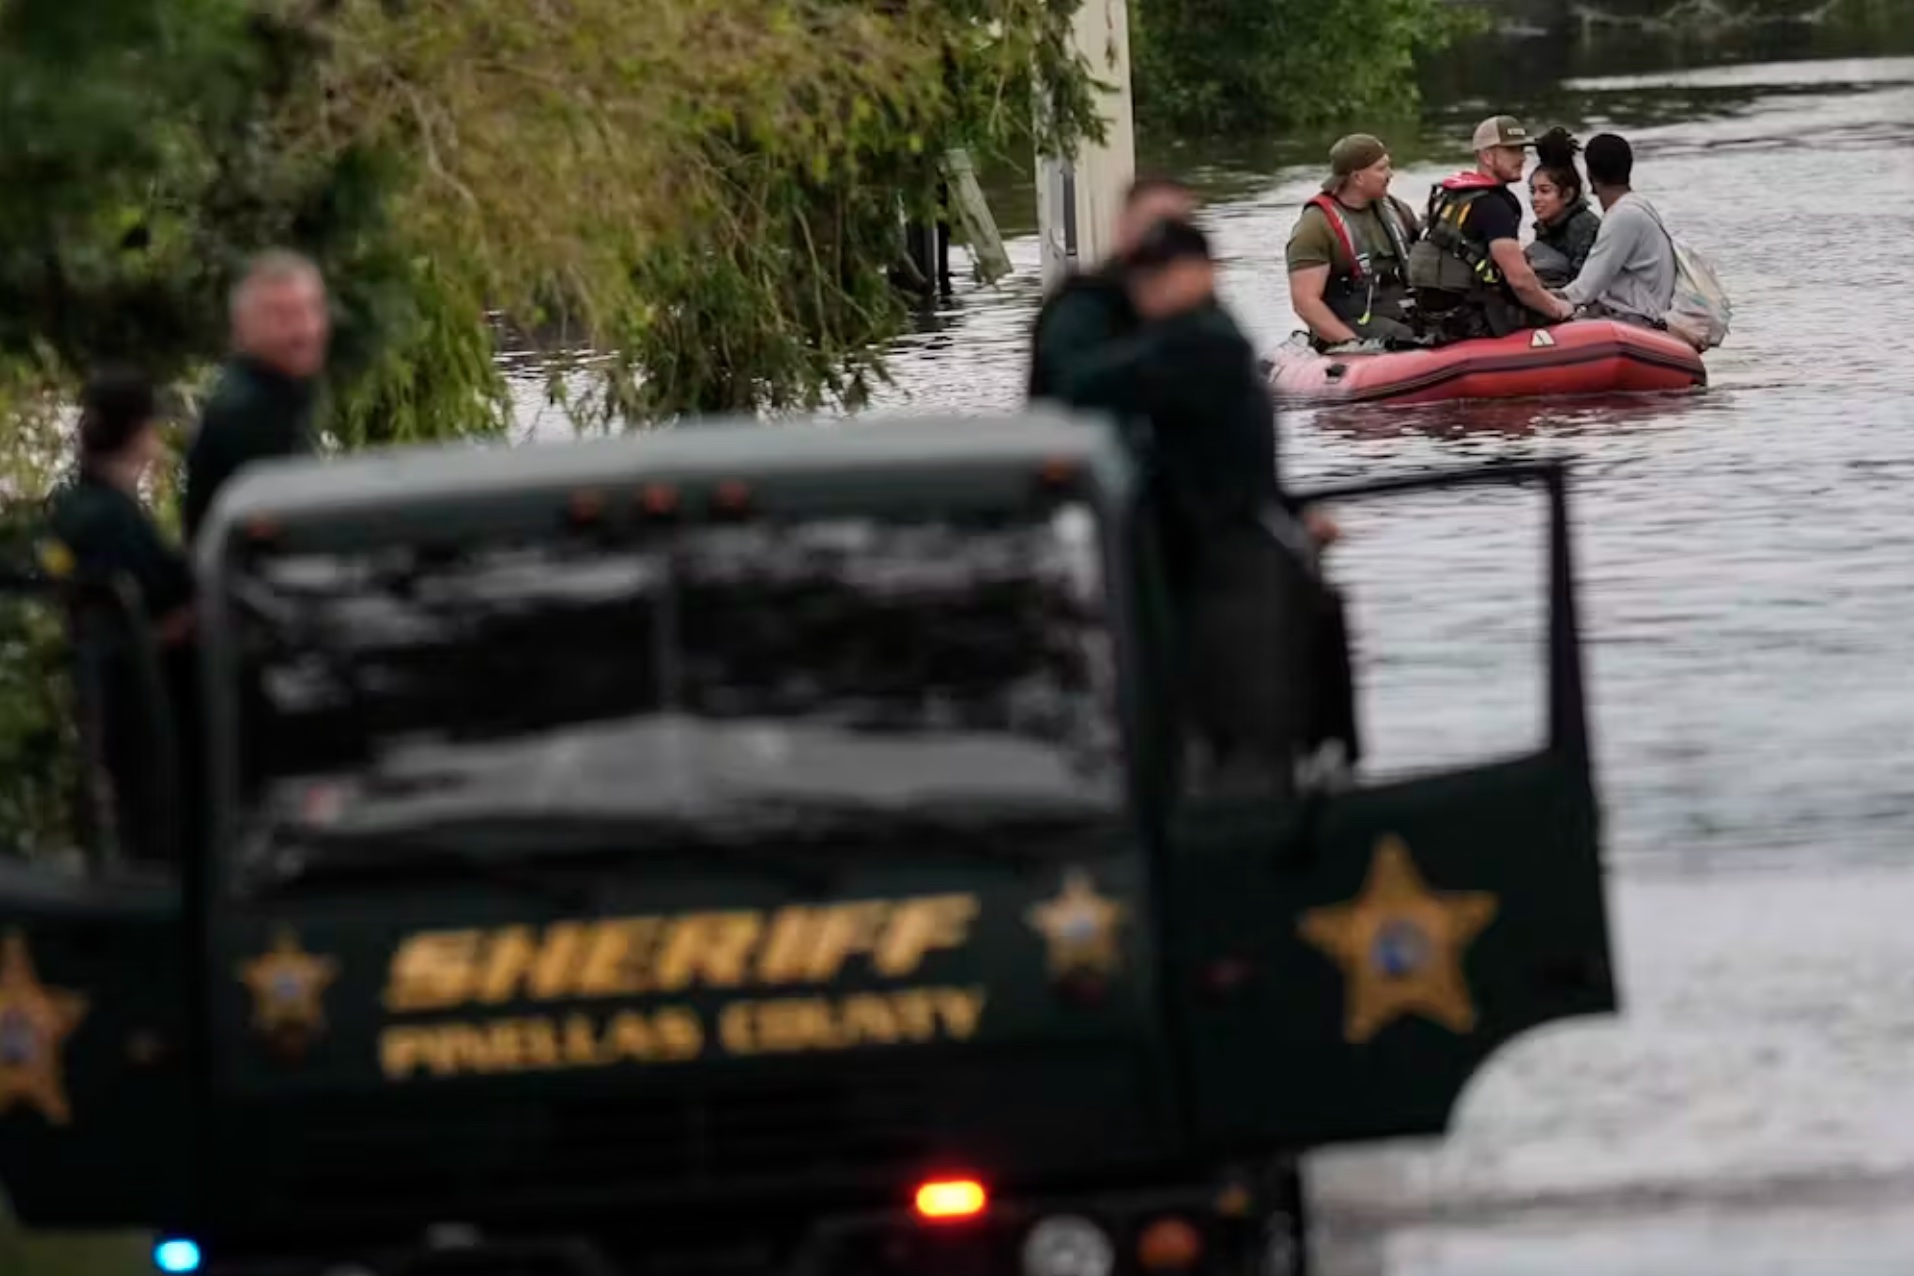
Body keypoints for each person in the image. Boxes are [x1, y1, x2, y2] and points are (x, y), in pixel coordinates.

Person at [1054, 219, 1359, 790]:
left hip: (1228, 558)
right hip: (1226, 545)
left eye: (1155, 275)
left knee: (1239, 714)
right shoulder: (1210, 335)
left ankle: (1242, 824)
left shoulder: (1200, 343)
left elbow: (1078, 382)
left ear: (1196, 273)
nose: (1144, 290)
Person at [42, 368, 196, 863]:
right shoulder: (112, 520)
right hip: (145, 711)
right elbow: (146, 606)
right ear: (138, 435)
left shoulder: (74, 506)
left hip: (110, 706)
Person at [182, 250, 330, 543]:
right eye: (283, 317)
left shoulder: (283, 395)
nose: (305, 329)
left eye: (311, 309)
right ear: (242, 328)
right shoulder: (247, 413)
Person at [1025, 176, 1197, 402]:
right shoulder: (1080, 308)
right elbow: (1069, 388)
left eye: (1180, 228)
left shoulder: (1200, 309)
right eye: (1153, 226)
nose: (1166, 240)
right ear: (1123, 228)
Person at [1406, 115, 1575, 344]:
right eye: (1512, 151)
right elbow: (1519, 280)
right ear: (1487, 156)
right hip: (1469, 316)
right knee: (1561, 313)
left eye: (1522, 151)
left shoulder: (1449, 196)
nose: (1522, 158)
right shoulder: (1494, 205)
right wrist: (1557, 309)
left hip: (1431, 313)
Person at [1285, 134, 1422, 349]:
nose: (1390, 174)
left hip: (1403, 313)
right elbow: (1305, 302)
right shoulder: (1315, 227)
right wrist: (1352, 344)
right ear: (1357, 177)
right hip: (1353, 324)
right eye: (1381, 168)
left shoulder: (1398, 211)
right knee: (1405, 338)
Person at [1558, 133, 1677, 328]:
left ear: (1589, 174)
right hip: (1645, 311)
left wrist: (1542, 298)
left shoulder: (1622, 217)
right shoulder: (1639, 206)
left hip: (1640, 319)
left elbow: (1584, 290)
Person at [1525, 128, 1601, 288]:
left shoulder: (1584, 227)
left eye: (1545, 191)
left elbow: (1585, 283)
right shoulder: (1546, 225)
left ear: (1567, 194)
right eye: (1533, 191)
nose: (1535, 199)